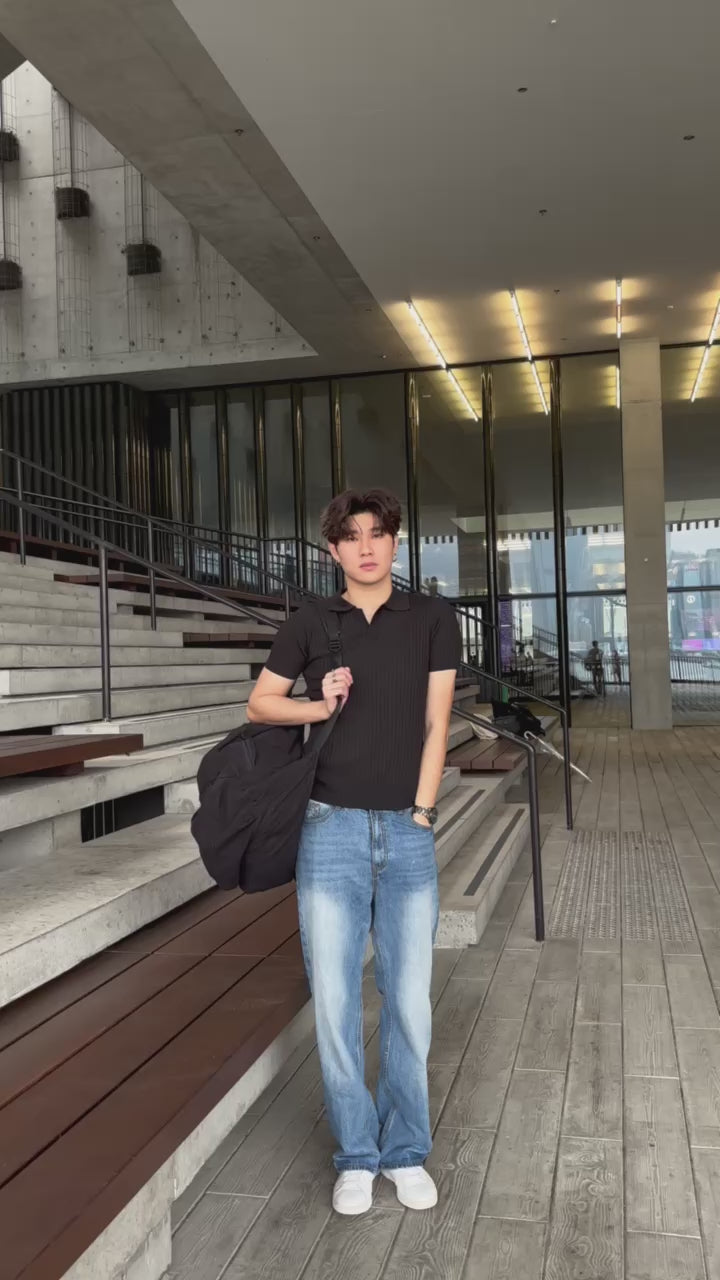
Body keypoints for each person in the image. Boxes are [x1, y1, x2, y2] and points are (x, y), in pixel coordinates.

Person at [247, 488, 460, 1217]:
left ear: (395, 542)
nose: (366, 547)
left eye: (378, 534)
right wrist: (319, 702)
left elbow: (437, 724)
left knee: (409, 1002)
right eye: (351, 536)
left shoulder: (432, 618)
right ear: (333, 549)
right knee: (336, 1001)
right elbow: (260, 703)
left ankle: (405, 1150)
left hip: (407, 829)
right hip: (329, 828)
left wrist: (422, 811)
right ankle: (358, 1154)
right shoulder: (312, 621)